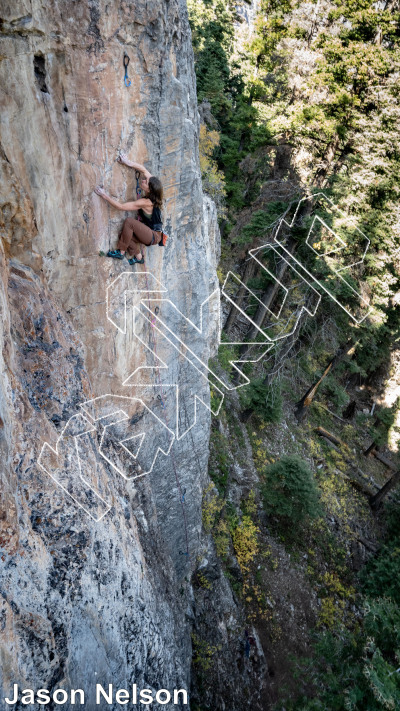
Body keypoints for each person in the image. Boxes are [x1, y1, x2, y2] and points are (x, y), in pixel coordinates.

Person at [94, 154, 165, 265]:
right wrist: (127, 162)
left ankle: (121, 253)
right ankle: (138, 257)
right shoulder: (152, 184)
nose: (143, 181)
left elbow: (121, 207)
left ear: (149, 190)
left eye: (145, 182)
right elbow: (144, 169)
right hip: (152, 233)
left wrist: (104, 195)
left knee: (129, 222)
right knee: (124, 235)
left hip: (154, 236)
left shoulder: (146, 202)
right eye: (145, 180)